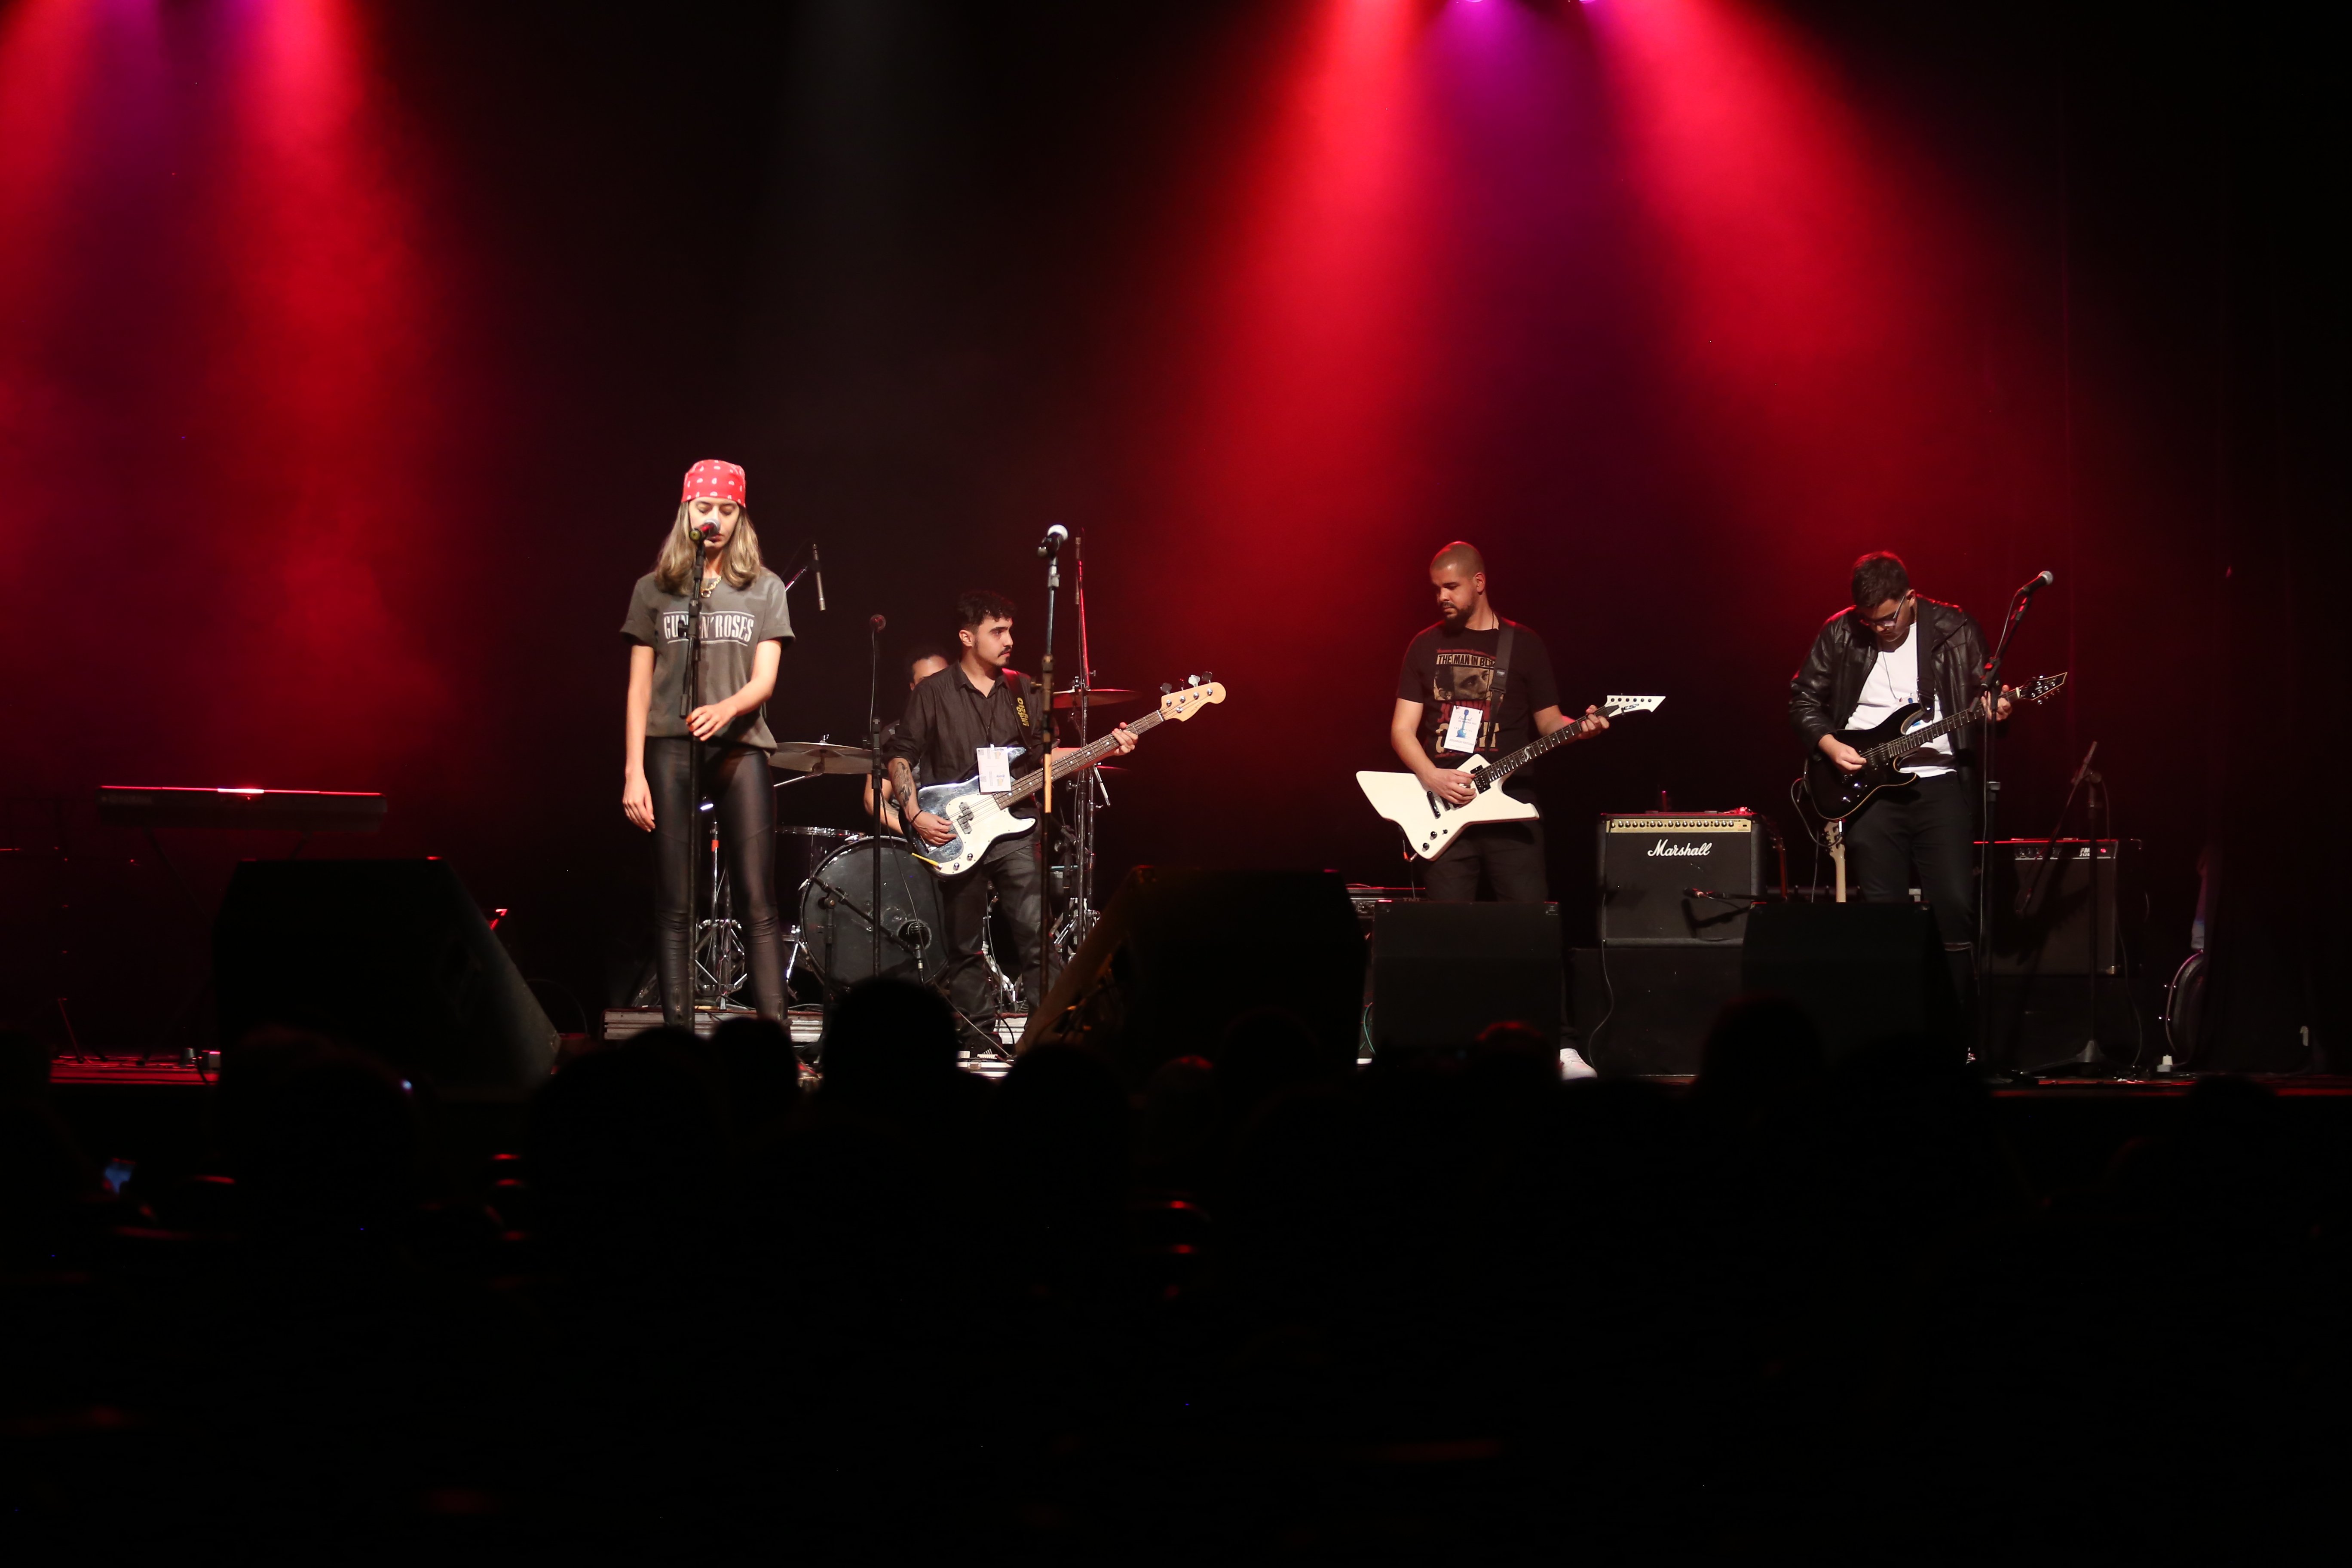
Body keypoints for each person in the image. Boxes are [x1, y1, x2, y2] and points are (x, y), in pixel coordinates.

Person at [885, 590, 1133, 1037]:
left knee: (1036, 935)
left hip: (1016, 826)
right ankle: (978, 1035)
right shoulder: (933, 693)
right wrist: (915, 812)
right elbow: (901, 755)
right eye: (997, 631)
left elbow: (1047, 760)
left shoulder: (1024, 690)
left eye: (1010, 630)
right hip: (955, 829)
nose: (1009, 640)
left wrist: (1107, 746)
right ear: (967, 637)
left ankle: (1051, 1031)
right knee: (963, 945)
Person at [620, 459, 796, 1027]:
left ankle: (772, 1040)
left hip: (741, 747)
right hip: (671, 749)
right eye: (704, 509)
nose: (714, 519)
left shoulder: (764, 587)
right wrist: (633, 772)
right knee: (675, 904)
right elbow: (639, 688)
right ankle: (679, 1037)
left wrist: (728, 707)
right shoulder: (653, 590)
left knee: (757, 900)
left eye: (725, 510)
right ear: (686, 512)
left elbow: (766, 679)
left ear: (740, 516)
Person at [1788, 550, 2011, 998]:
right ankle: (1893, 1018)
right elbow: (1802, 699)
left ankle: (1955, 1018)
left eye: (1889, 619)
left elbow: (1982, 697)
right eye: (1870, 621)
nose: (1881, 629)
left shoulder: (1955, 629)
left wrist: (1996, 711)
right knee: (1883, 913)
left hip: (1941, 784)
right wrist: (1830, 745)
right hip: (1869, 791)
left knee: (1954, 905)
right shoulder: (1841, 631)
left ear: (1910, 597)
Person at [1390, 542, 1605, 901]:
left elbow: (1550, 723)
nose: (1442, 597)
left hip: (1510, 807)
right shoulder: (1424, 645)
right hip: (1443, 810)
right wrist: (1432, 776)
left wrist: (1580, 731)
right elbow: (1401, 730)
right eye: (1437, 589)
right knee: (1447, 927)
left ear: (1479, 582)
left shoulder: (1525, 644)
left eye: (1451, 587)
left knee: (1525, 923)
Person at [863, 646, 952, 833]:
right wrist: (915, 832)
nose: (935, 687)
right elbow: (874, 801)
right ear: (913, 688)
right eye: (926, 682)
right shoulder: (893, 734)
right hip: (915, 838)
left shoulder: (972, 724)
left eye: (941, 678)